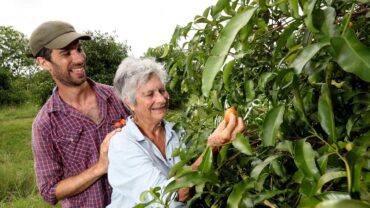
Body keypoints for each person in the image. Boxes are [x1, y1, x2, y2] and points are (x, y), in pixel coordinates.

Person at [107, 57, 245, 207]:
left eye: (162, 90)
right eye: (150, 94)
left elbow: (200, 171)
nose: (161, 99)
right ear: (130, 103)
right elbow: (168, 198)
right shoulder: (122, 145)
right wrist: (213, 148)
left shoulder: (177, 131)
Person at [30, 20, 129, 207]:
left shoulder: (117, 97)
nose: (79, 59)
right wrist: (100, 167)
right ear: (44, 63)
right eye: (66, 53)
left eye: (79, 49)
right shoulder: (45, 124)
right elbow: (50, 191)